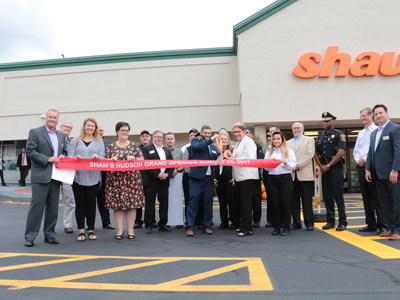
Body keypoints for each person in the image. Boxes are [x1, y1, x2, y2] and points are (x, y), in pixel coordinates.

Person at [24, 109, 67, 247]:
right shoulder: (35, 132)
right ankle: (30, 236)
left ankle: (50, 235)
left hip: (56, 176)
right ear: (45, 118)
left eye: (55, 117)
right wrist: (47, 159)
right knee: (37, 208)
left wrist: (63, 156)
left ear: (57, 120)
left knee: (53, 209)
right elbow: (31, 151)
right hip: (41, 175)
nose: (52, 119)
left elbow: (64, 151)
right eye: (50, 117)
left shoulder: (61, 135)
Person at [105, 122, 145, 240]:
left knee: (131, 206)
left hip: (131, 180)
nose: (125, 132)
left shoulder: (134, 146)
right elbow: (104, 162)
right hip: (115, 180)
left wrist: (134, 159)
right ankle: (119, 230)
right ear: (117, 132)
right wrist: (111, 160)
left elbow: (142, 160)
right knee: (117, 206)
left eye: (127, 130)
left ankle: (131, 229)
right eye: (122, 130)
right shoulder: (110, 147)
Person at [366, 104, 400, 240]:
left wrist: (395, 169)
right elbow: (371, 153)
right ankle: (391, 228)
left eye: (381, 113)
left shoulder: (395, 129)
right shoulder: (374, 133)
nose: (378, 116)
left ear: (387, 113)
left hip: (393, 174)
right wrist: (368, 168)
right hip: (378, 175)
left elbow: (398, 151)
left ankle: (398, 230)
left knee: (397, 203)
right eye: (376, 114)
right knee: (385, 204)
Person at [68, 118, 105, 242]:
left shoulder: (99, 142)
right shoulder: (76, 140)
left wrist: (98, 157)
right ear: (84, 126)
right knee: (80, 204)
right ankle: (81, 231)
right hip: (78, 177)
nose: (90, 128)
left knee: (91, 205)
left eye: (93, 126)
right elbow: (69, 156)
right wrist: (75, 157)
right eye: (88, 126)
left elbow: (103, 158)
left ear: (95, 128)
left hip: (94, 178)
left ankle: (91, 230)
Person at [354, 108, 388, 234]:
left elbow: (376, 150)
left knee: (378, 197)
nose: (362, 118)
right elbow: (356, 150)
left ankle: (383, 225)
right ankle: (370, 224)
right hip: (362, 167)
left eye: (364, 115)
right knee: (366, 198)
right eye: (361, 116)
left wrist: (366, 160)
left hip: (374, 167)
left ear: (371, 115)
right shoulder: (361, 133)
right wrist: (358, 160)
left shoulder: (377, 130)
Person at [315, 112, 347, 231]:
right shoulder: (320, 136)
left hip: (335, 168)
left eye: (327, 121)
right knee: (327, 197)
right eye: (324, 121)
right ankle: (330, 221)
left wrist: (328, 165)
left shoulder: (339, 134)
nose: (325, 123)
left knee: (338, 196)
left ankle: (342, 222)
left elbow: (341, 153)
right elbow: (316, 154)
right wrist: (322, 166)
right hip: (324, 169)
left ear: (333, 121)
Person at [185, 125, 219, 236]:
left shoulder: (213, 147)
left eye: (209, 133)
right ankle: (190, 227)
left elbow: (216, 160)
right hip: (196, 179)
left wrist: (224, 155)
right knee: (193, 203)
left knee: (208, 203)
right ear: (201, 132)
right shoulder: (196, 141)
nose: (208, 135)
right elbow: (198, 148)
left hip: (208, 179)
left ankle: (207, 226)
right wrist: (211, 139)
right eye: (206, 133)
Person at [228, 122, 259, 237]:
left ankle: (248, 228)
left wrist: (232, 159)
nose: (236, 134)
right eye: (234, 132)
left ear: (244, 131)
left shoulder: (249, 142)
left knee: (246, 204)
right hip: (239, 177)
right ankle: (244, 225)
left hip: (247, 176)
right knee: (241, 203)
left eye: (238, 132)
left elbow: (248, 158)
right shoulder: (238, 143)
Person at [141, 130, 174, 234]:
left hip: (164, 181)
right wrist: (157, 174)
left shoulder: (167, 150)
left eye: (160, 137)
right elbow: (146, 164)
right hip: (151, 181)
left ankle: (163, 224)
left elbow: (171, 165)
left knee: (164, 204)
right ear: (152, 137)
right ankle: (149, 224)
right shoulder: (146, 149)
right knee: (150, 204)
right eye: (157, 136)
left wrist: (167, 174)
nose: (159, 138)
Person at [265, 131, 297, 236]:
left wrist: (285, 162)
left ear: (282, 139)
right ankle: (277, 227)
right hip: (272, 179)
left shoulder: (289, 151)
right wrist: (272, 163)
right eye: (274, 139)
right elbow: (266, 167)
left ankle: (286, 227)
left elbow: (293, 165)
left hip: (285, 179)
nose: (276, 141)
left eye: (278, 139)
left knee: (286, 204)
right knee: (275, 204)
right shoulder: (269, 152)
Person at [287, 122, 315, 231]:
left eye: (298, 128)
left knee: (307, 200)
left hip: (305, 174)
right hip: (292, 175)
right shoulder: (288, 142)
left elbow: (310, 154)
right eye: (294, 128)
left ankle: (309, 223)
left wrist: (297, 165)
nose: (296, 130)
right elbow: (286, 155)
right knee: (294, 201)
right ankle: (296, 223)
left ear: (303, 129)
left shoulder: (309, 140)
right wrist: (291, 166)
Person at [214, 133, 239, 230]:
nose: (223, 140)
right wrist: (213, 177)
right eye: (222, 139)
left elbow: (235, 164)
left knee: (231, 201)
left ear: (228, 140)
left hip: (229, 178)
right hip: (219, 179)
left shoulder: (232, 150)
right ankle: (224, 221)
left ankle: (234, 221)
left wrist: (234, 176)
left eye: (225, 139)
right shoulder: (215, 151)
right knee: (222, 202)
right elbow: (212, 165)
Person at [96, 125, 114, 230]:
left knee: (103, 200)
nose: (100, 132)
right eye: (99, 130)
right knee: (89, 202)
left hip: (104, 175)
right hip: (91, 175)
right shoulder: (89, 142)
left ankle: (106, 222)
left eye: (102, 130)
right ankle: (90, 224)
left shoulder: (108, 143)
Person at [245, 127, 264, 228]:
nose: (246, 134)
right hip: (243, 177)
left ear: (251, 135)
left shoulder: (257, 146)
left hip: (255, 176)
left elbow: (260, 160)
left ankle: (256, 220)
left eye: (247, 133)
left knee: (256, 200)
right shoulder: (240, 145)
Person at [165, 132, 185, 227]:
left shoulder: (179, 151)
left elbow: (183, 164)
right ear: (165, 140)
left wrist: (176, 170)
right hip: (165, 178)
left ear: (174, 140)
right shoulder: (163, 151)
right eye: (168, 139)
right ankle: (167, 221)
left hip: (177, 179)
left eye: (171, 139)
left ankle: (178, 220)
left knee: (178, 201)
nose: (170, 140)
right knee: (166, 200)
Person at [59, 121, 75, 234]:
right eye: (66, 127)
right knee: (50, 201)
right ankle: (49, 226)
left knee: (69, 200)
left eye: (70, 128)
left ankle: (67, 224)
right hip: (53, 172)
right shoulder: (54, 139)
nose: (67, 129)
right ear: (61, 127)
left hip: (67, 173)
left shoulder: (73, 142)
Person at [181, 128, 199, 224]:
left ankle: (198, 220)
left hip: (198, 176)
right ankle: (189, 220)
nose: (192, 137)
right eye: (191, 135)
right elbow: (183, 164)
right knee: (188, 199)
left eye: (194, 135)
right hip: (188, 176)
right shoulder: (185, 148)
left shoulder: (201, 146)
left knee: (198, 199)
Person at [134, 129, 152, 229]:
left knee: (150, 201)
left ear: (150, 138)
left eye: (146, 136)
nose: (145, 137)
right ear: (140, 138)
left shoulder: (153, 148)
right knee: (138, 201)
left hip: (151, 178)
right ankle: (138, 221)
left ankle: (150, 220)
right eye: (143, 136)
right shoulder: (137, 149)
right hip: (139, 178)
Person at [263, 125, 280, 228]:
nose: (272, 133)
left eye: (274, 131)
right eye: (270, 132)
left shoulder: (282, 146)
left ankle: (280, 220)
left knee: (279, 199)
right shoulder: (266, 146)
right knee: (270, 198)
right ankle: (270, 220)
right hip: (268, 173)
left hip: (279, 173)